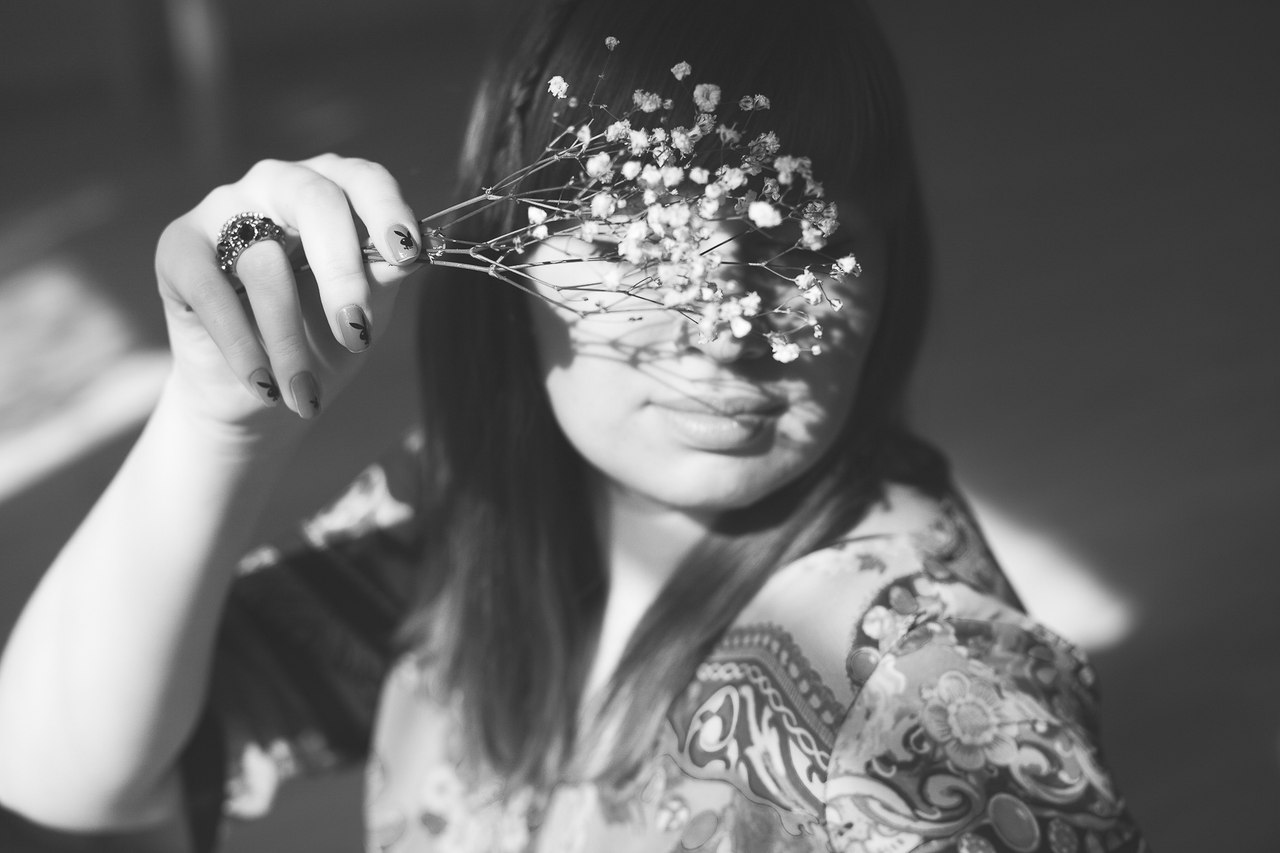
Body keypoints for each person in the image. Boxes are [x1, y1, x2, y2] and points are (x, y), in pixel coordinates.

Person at [0, 1, 1150, 851]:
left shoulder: (924, 684)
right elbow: (63, 772)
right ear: (510, 257)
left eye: (793, 244)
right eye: (636, 247)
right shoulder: (468, 508)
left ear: (889, 264)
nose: (716, 330)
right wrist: (217, 416)